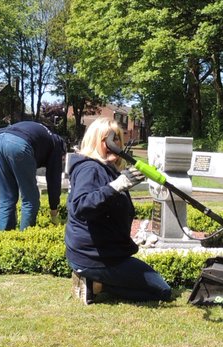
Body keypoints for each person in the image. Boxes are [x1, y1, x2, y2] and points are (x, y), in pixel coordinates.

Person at [65, 118, 172, 304]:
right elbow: (82, 206)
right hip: (94, 257)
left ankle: (96, 280)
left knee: (156, 282)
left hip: (108, 253)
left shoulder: (106, 168)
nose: (115, 144)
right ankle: (94, 284)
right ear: (96, 141)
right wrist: (117, 186)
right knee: (162, 291)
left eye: (117, 139)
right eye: (108, 139)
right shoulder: (89, 168)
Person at [0, 120, 66, 231]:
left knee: (6, 198)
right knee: (30, 200)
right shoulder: (56, 145)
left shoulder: (42, 135)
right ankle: (25, 237)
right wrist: (54, 211)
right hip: (19, 145)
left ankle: (4, 236)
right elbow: (54, 181)